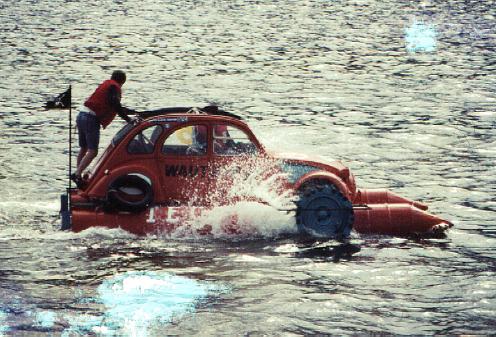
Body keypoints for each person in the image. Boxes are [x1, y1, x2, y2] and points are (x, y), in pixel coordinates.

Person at [72, 70, 139, 186]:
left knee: (84, 148)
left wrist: (129, 112)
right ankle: (77, 174)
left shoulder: (107, 85)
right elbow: (115, 104)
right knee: (93, 151)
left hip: (82, 115)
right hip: (90, 119)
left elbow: (114, 105)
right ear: (122, 81)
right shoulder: (114, 87)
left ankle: (78, 175)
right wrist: (127, 119)